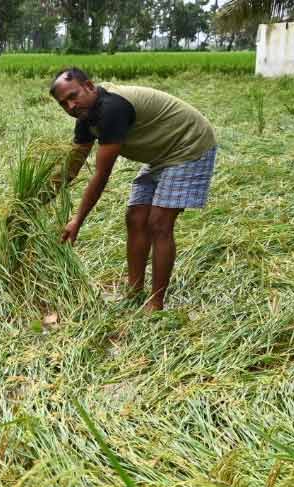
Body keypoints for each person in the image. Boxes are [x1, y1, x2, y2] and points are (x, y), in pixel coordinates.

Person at [49, 67, 217, 311]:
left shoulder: (111, 109)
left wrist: (77, 220)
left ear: (89, 86)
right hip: (161, 152)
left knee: (159, 222)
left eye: (73, 96)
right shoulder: (85, 119)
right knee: (136, 216)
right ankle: (133, 291)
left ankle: (156, 302)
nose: (71, 106)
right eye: (64, 104)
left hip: (188, 144)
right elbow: (71, 168)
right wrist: (36, 198)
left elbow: (101, 175)